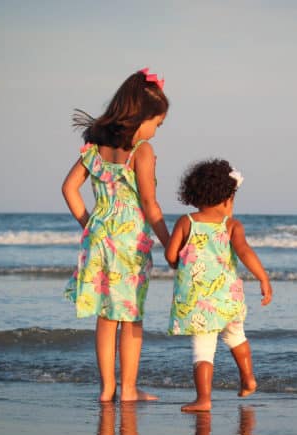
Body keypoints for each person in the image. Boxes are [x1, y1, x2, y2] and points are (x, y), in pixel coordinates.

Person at [63, 68, 169, 402]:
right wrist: (171, 245)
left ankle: (107, 388)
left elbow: (68, 189)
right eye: (157, 124)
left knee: (107, 316)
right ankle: (128, 390)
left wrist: (91, 225)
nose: (156, 132)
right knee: (131, 317)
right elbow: (151, 206)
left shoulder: (94, 148)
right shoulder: (142, 151)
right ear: (142, 117)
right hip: (130, 243)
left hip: (99, 240)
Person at [165, 159, 272, 412]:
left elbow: (171, 256)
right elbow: (245, 252)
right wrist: (263, 278)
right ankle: (248, 378)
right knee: (237, 336)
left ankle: (203, 399)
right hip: (228, 299)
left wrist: (178, 262)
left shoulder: (186, 222)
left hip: (199, 301)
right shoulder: (232, 225)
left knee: (203, 350)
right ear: (227, 198)